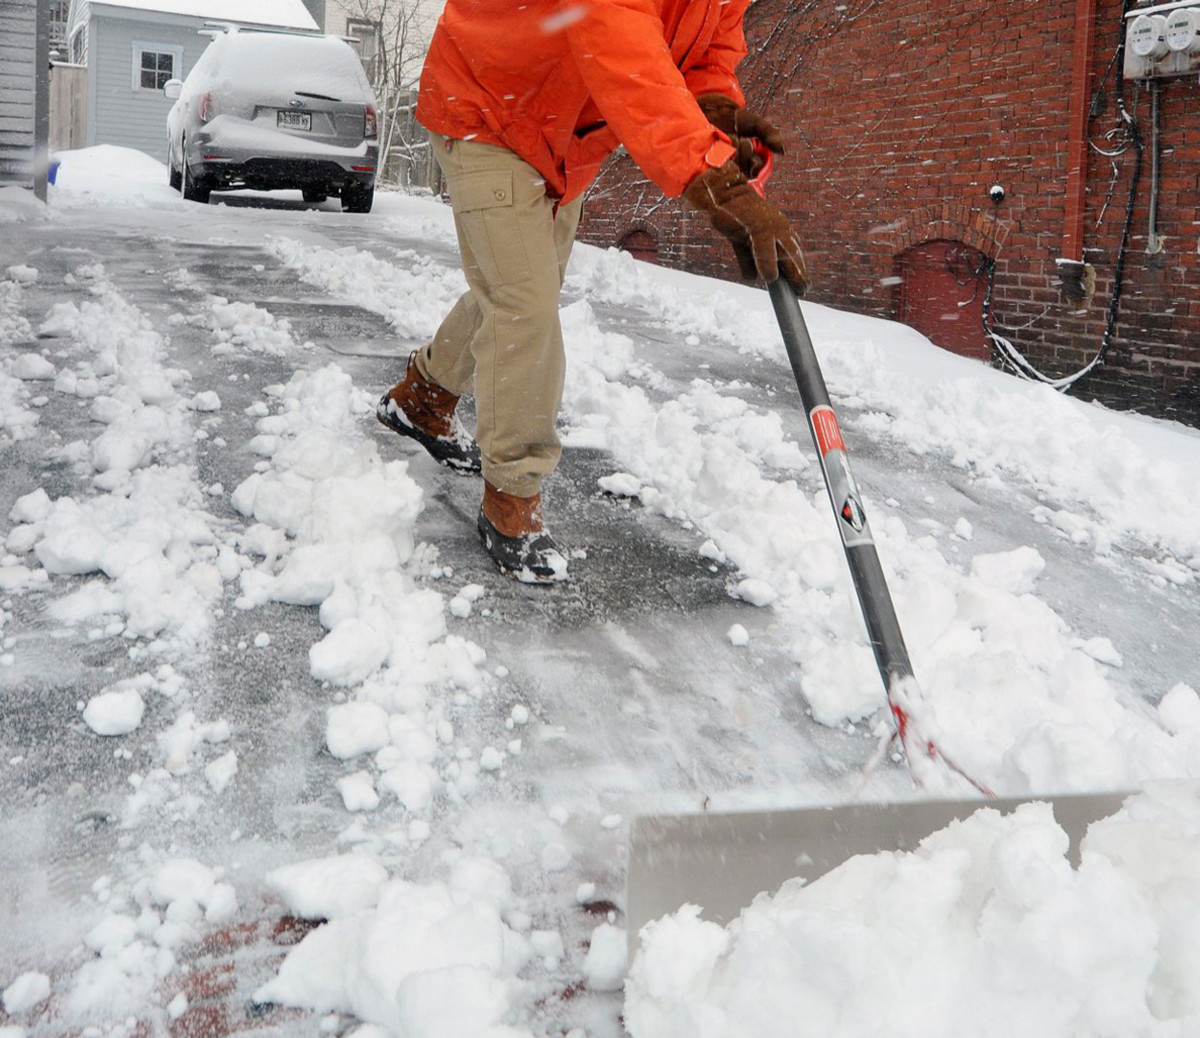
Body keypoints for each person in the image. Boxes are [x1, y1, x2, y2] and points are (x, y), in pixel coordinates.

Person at [377, 0, 808, 584]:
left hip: (561, 136)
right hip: (486, 105)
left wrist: (717, 107)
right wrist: (713, 176)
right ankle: (512, 495)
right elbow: (620, 42)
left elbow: (710, 49)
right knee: (522, 303)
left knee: (518, 288)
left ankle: (421, 398)